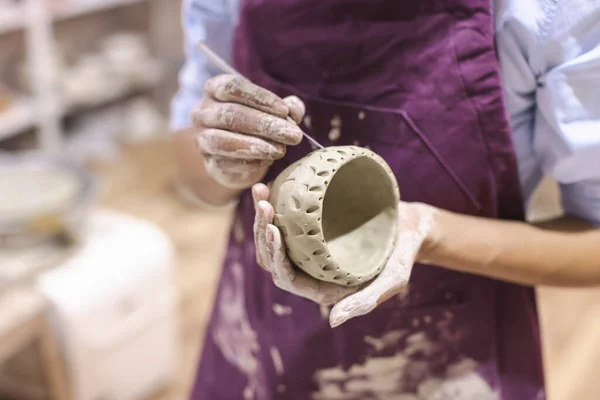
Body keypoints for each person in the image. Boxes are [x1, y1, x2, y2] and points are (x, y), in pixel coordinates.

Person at [171, 0, 600, 398]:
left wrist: (432, 235)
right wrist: (219, 161)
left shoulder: (552, 11)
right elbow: (191, 169)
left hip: (453, 361)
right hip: (262, 339)